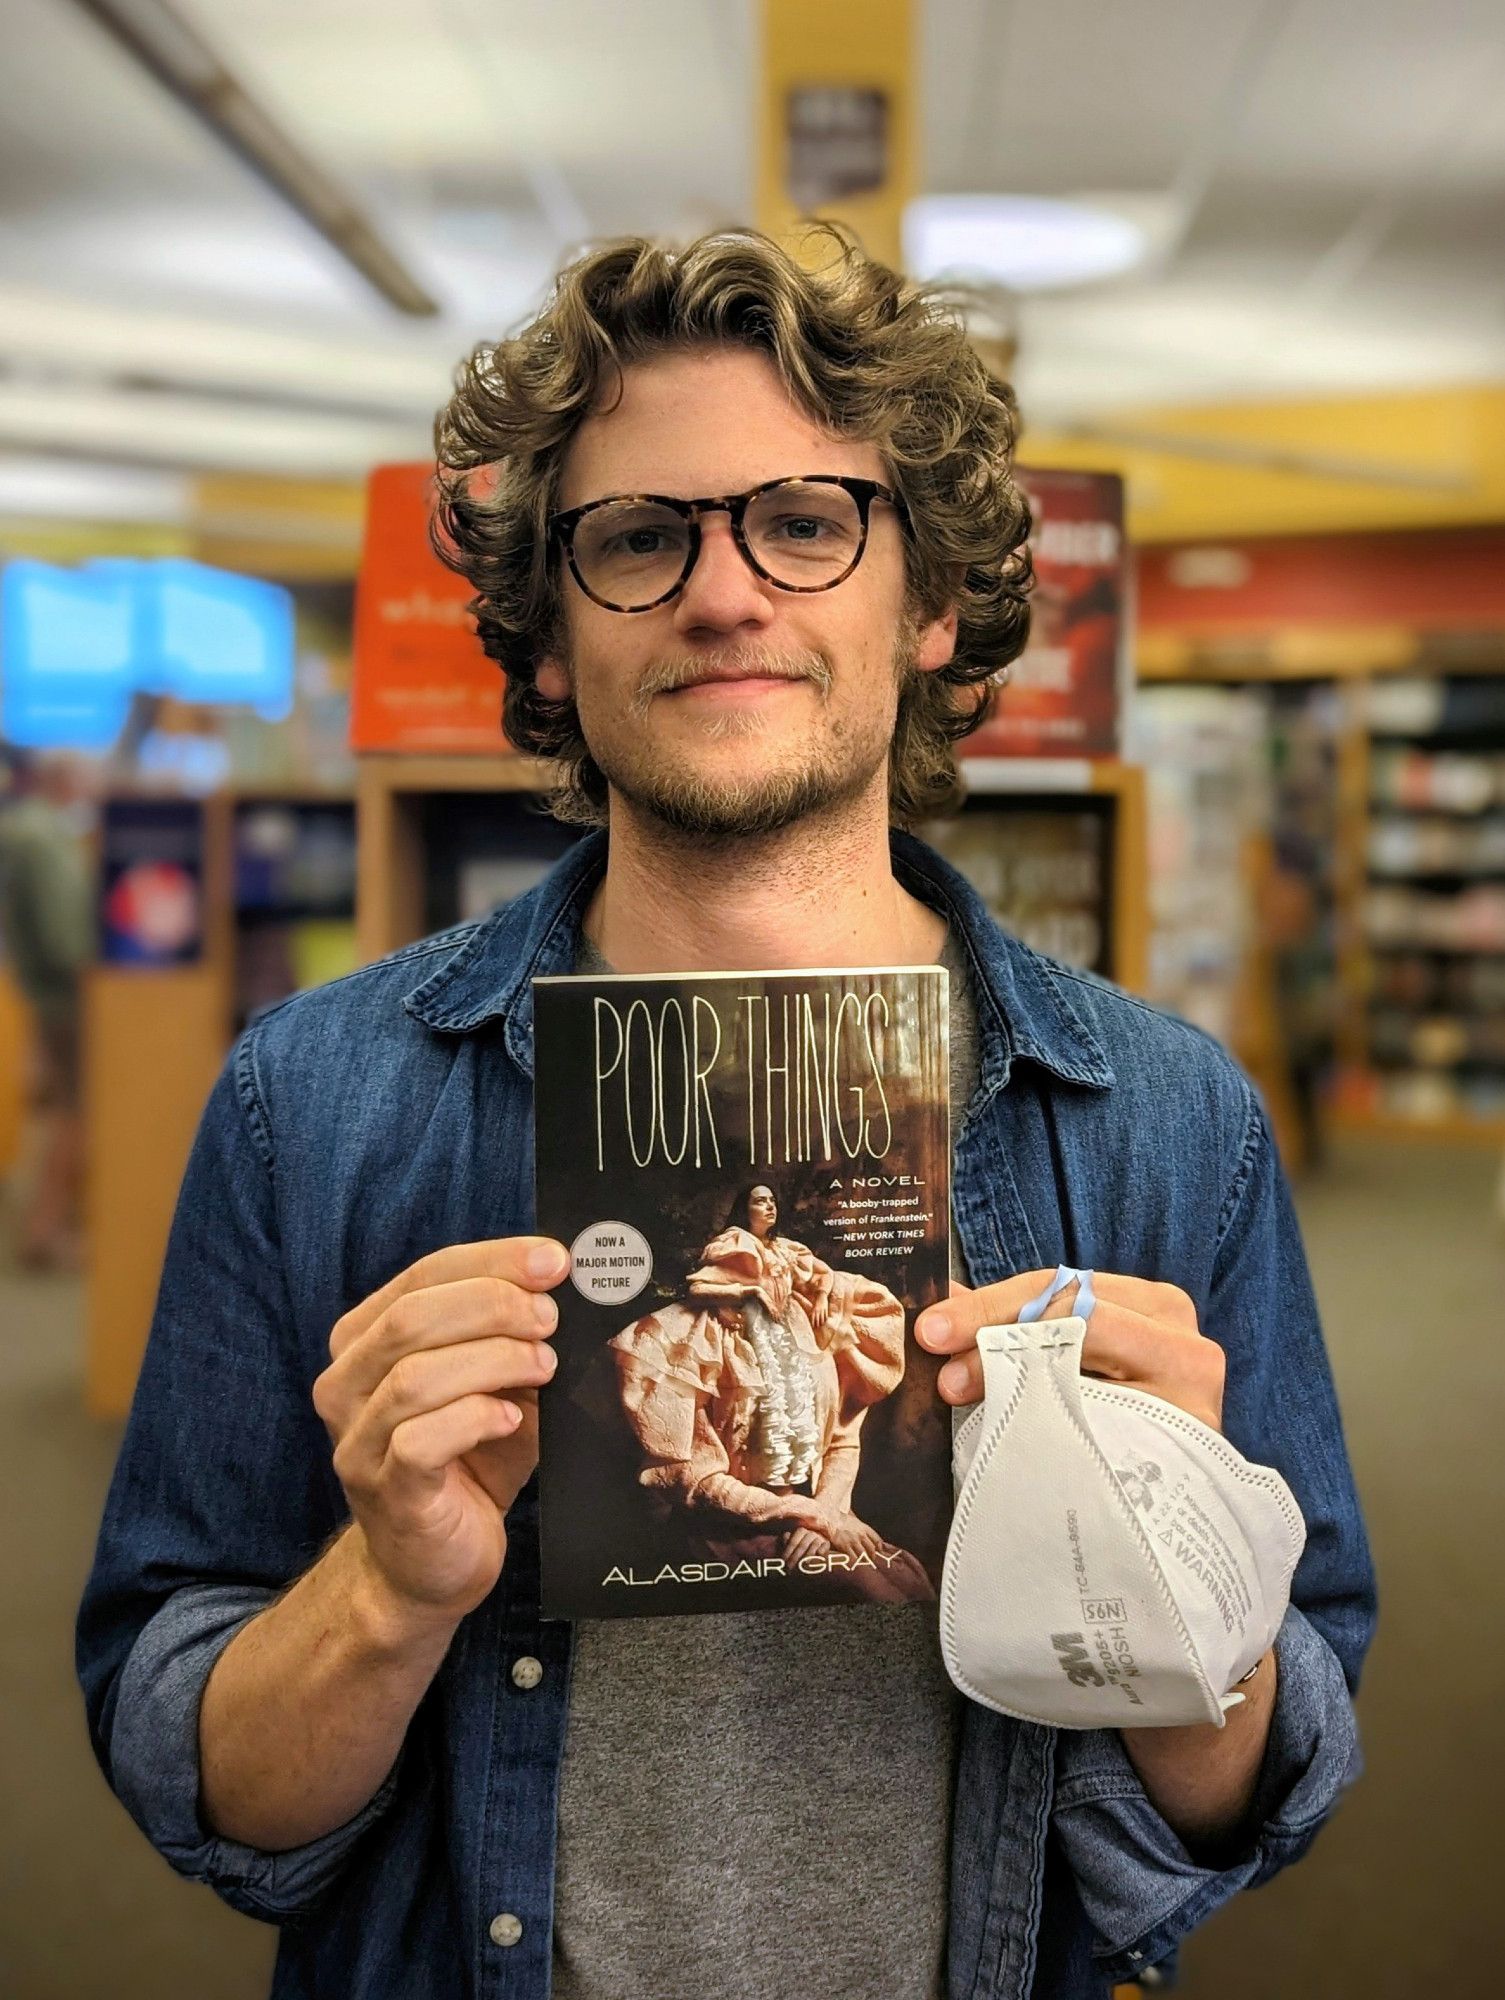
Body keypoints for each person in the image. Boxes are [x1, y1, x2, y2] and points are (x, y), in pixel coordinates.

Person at [77, 225, 1375, 2000]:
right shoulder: (316, 1106)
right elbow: (186, 1763)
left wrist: (1185, 1579)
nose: (723, 591)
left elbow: (1266, 1783)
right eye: (637, 536)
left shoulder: (1162, 1121)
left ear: (927, 604)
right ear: (545, 638)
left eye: (807, 519)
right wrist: (384, 1593)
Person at [608, 1181, 933, 1600]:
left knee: (908, 1583)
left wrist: (830, 1511)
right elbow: (699, 1482)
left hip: (816, 1514)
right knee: (870, 1593)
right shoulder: (692, 1344)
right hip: (734, 1530)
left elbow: (842, 1442)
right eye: (758, 1200)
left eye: (772, 1200)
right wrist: (813, 1517)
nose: (768, 1207)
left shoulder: (815, 1329)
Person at [0, 747, 95, 1269]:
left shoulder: (25, 831)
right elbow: (66, 936)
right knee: (75, 1113)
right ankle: (46, 1229)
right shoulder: (43, 838)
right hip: (70, 997)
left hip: (45, 993)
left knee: (63, 1108)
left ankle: (43, 1224)